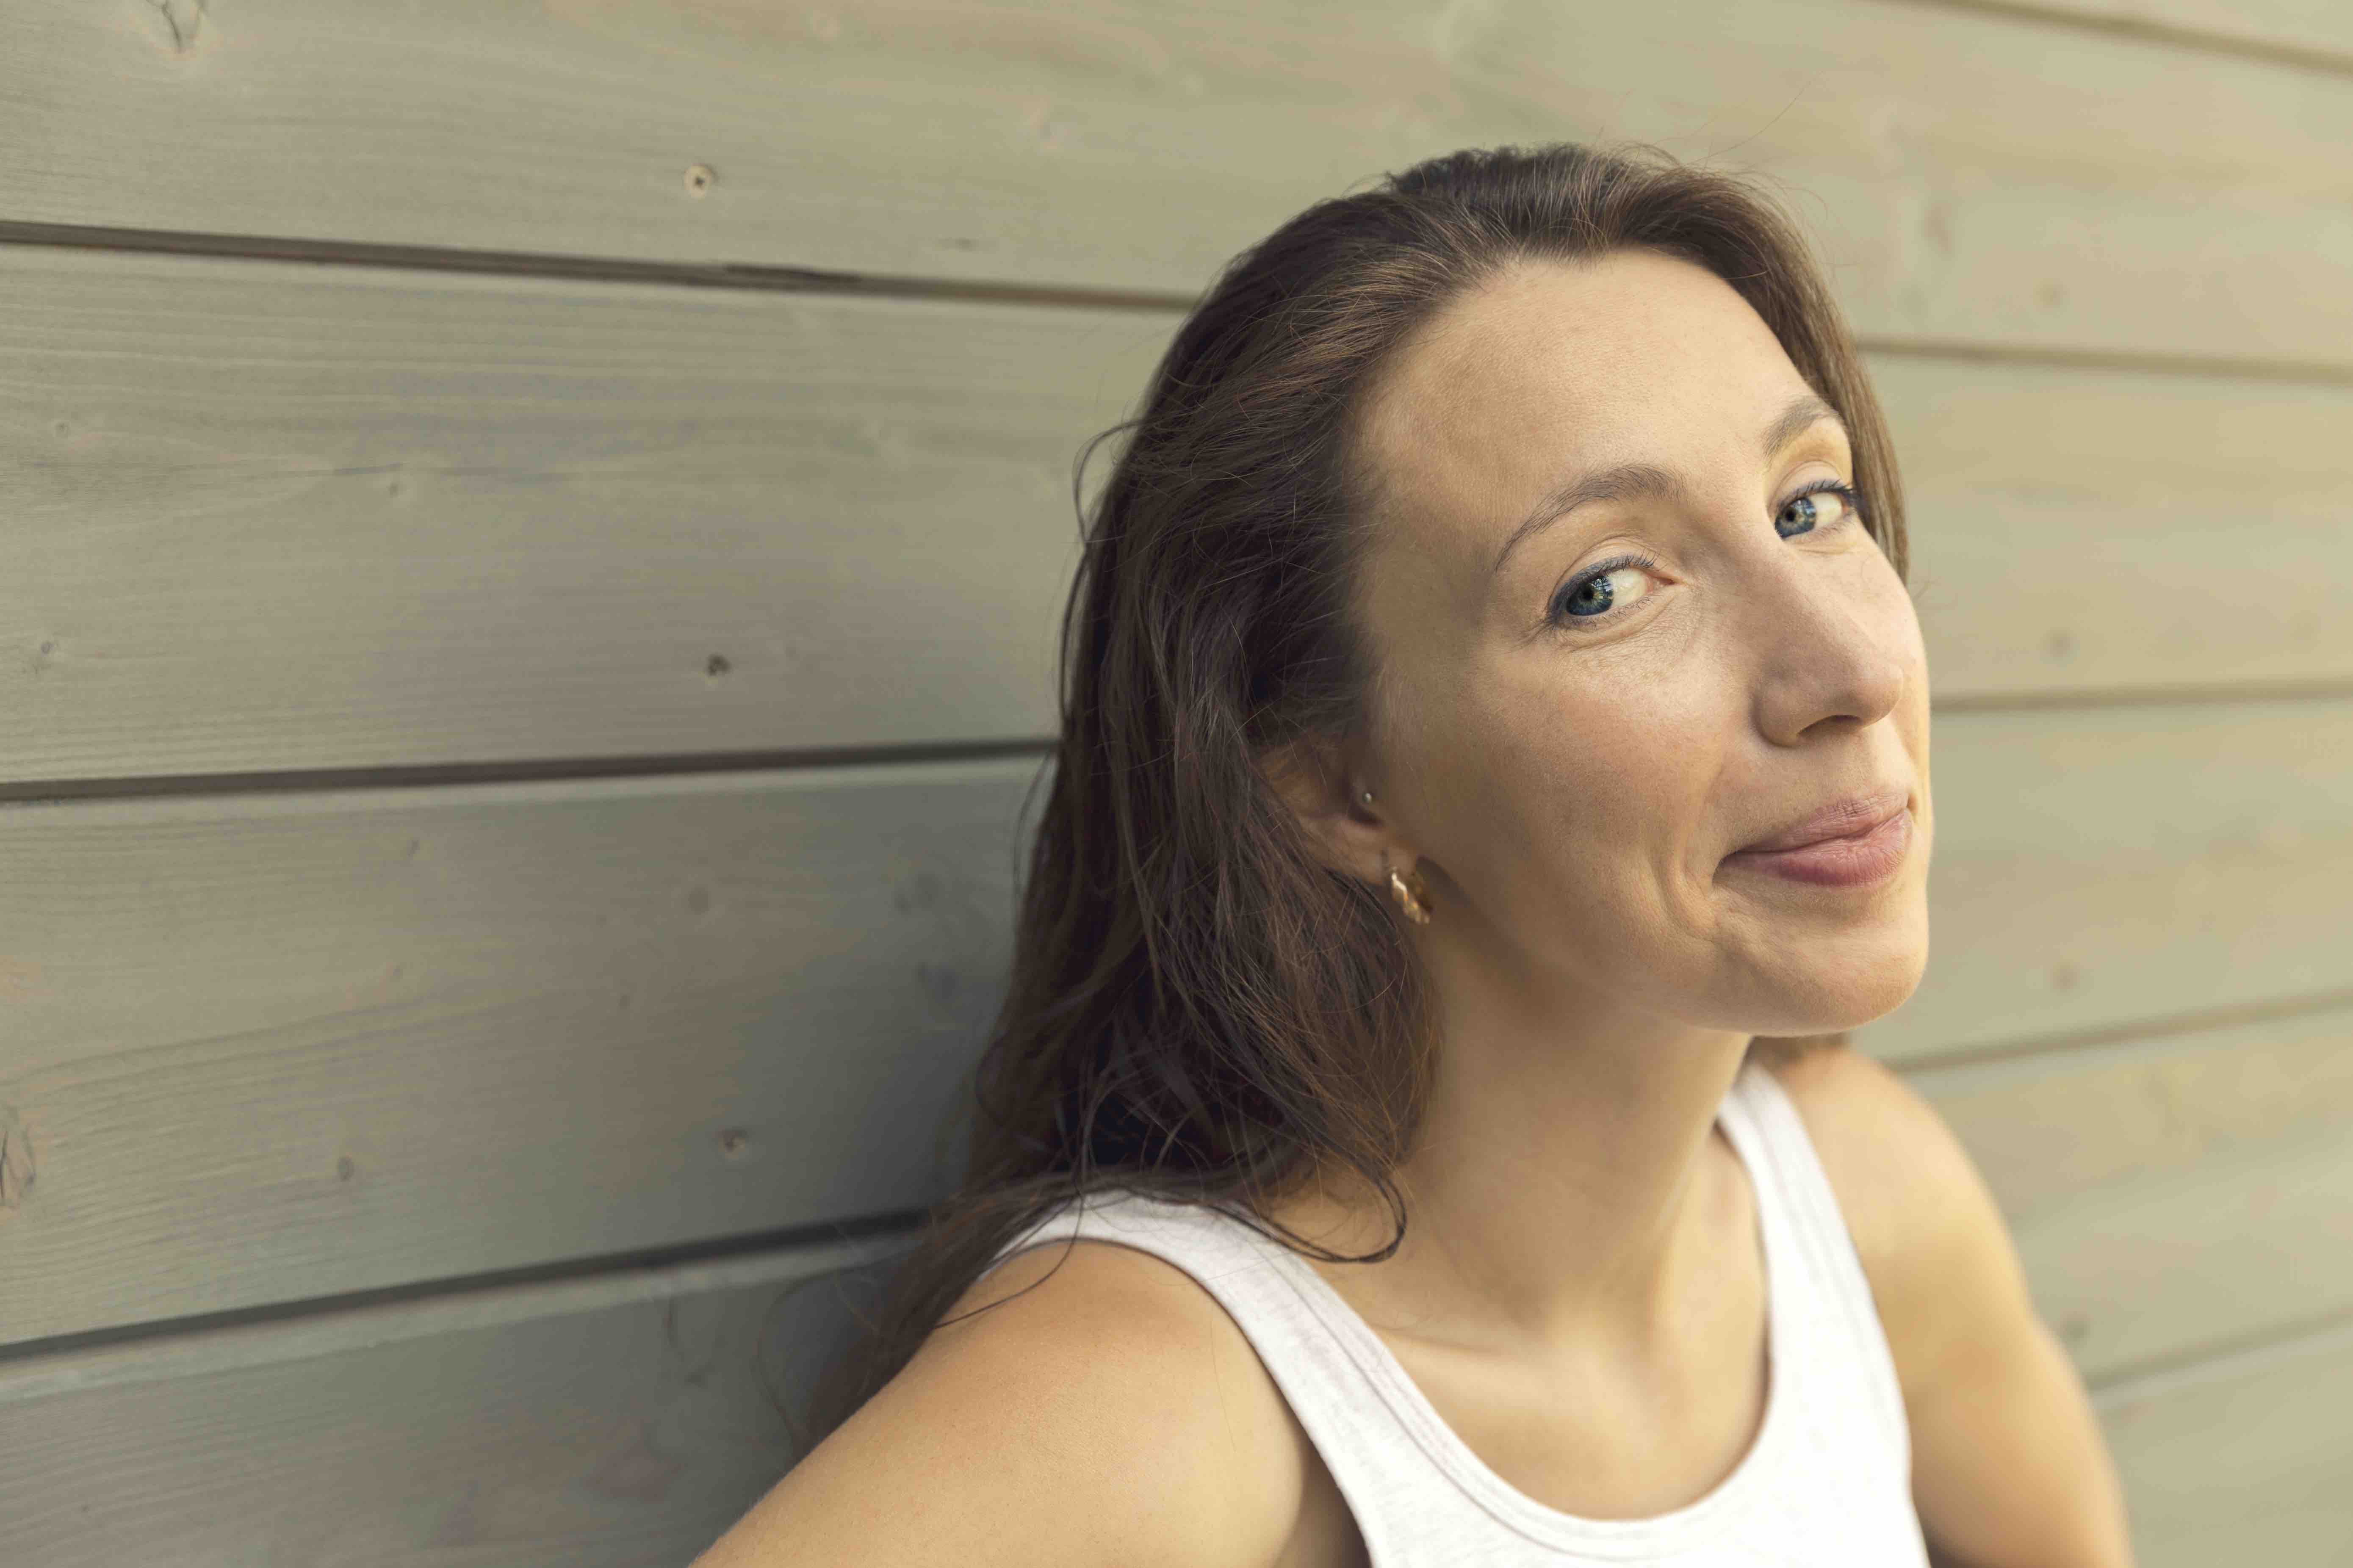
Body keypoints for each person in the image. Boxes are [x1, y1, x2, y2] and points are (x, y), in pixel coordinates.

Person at [693, 142, 2134, 1567]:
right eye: (1603, 589)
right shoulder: (1168, 1389)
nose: (1846, 672)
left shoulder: (1860, 1199)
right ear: (1342, 788)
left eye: (1806, 506)